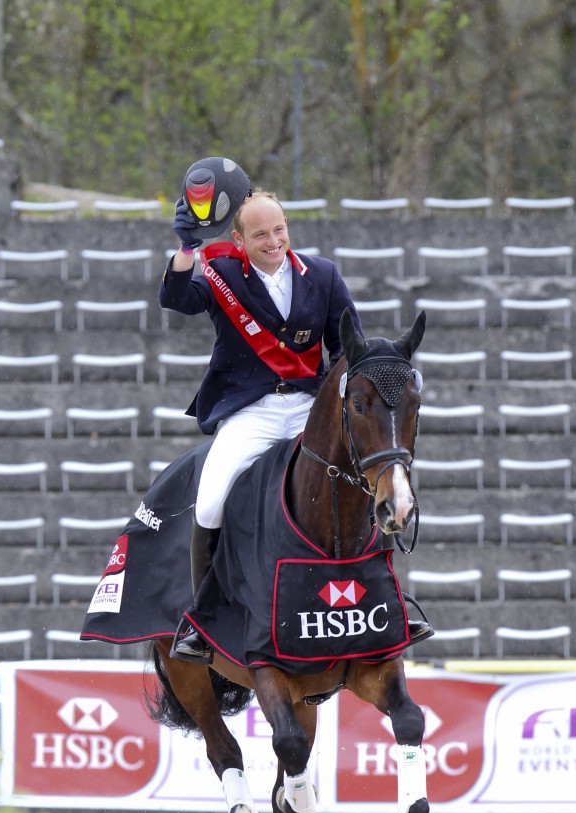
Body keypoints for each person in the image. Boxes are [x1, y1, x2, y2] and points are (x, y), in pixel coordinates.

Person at [159, 157, 431, 660]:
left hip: (310, 405)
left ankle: (395, 604)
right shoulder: (220, 275)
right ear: (239, 240)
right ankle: (204, 616)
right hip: (252, 411)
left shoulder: (322, 275)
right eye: (260, 234)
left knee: (373, 480)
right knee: (212, 497)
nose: (273, 241)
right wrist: (185, 249)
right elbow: (177, 299)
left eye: (279, 229)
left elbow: (345, 344)